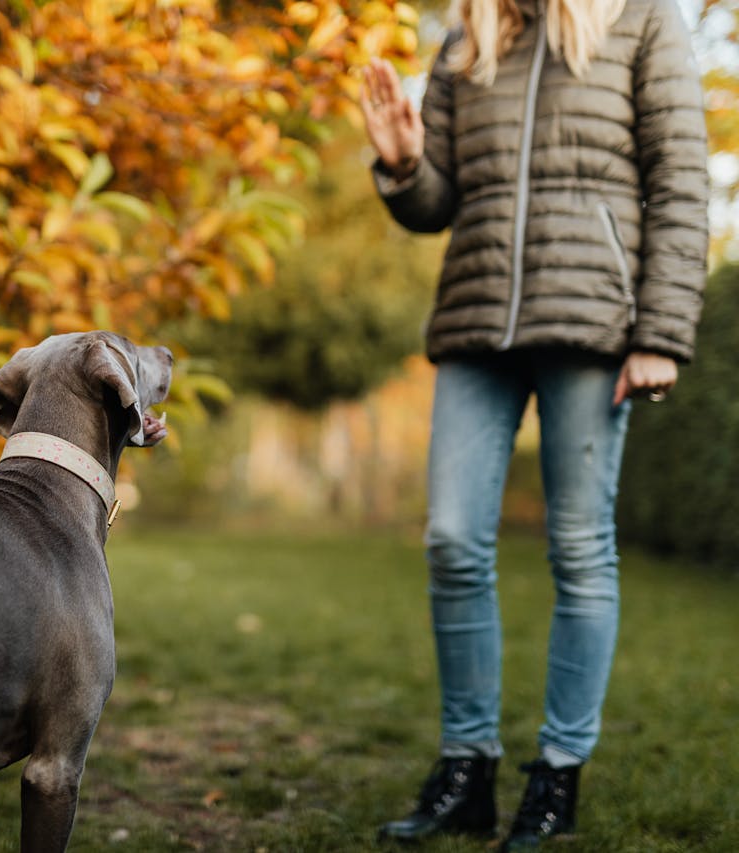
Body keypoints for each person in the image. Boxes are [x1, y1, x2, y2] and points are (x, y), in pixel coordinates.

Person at [358, 0, 708, 847]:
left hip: (594, 320)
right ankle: (467, 769)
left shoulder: (641, 21)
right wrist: (403, 163)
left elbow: (681, 178)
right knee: (450, 538)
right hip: (477, 322)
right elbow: (437, 203)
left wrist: (660, 333)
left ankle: (557, 777)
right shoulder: (470, 33)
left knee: (581, 547)